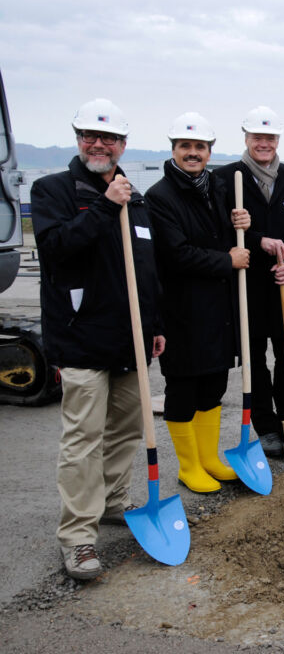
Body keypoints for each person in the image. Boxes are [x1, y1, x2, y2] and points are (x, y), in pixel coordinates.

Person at [32, 98, 165, 580]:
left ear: (123, 145)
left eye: (108, 138)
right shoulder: (54, 191)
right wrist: (106, 208)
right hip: (81, 337)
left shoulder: (138, 199)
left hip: (130, 341)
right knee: (82, 440)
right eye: (89, 135)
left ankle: (113, 502)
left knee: (127, 431)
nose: (98, 143)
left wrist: (155, 326)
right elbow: (56, 250)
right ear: (77, 139)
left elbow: (147, 270)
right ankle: (78, 537)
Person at [146, 112, 252, 493]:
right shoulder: (161, 197)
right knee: (184, 389)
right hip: (182, 310)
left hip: (218, 309)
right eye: (185, 147)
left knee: (213, 386)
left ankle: (209, 458)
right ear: (173, 149)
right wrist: (228, 260)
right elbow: (176, 254)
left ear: (209, 151)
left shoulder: (218, 188)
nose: (193, 153)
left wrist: (240, 222)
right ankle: (189, 467)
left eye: (200, 147)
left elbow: (224, 237)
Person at [212, 106, 284, 458]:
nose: (264, 144)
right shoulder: (226, 178)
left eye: (270, 138)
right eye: (257, 137)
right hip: (248, 288)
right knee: (254, 361)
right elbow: (220, 232)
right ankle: (267, 428)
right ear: (246, 138)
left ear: (277, 141)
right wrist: (257, 239)